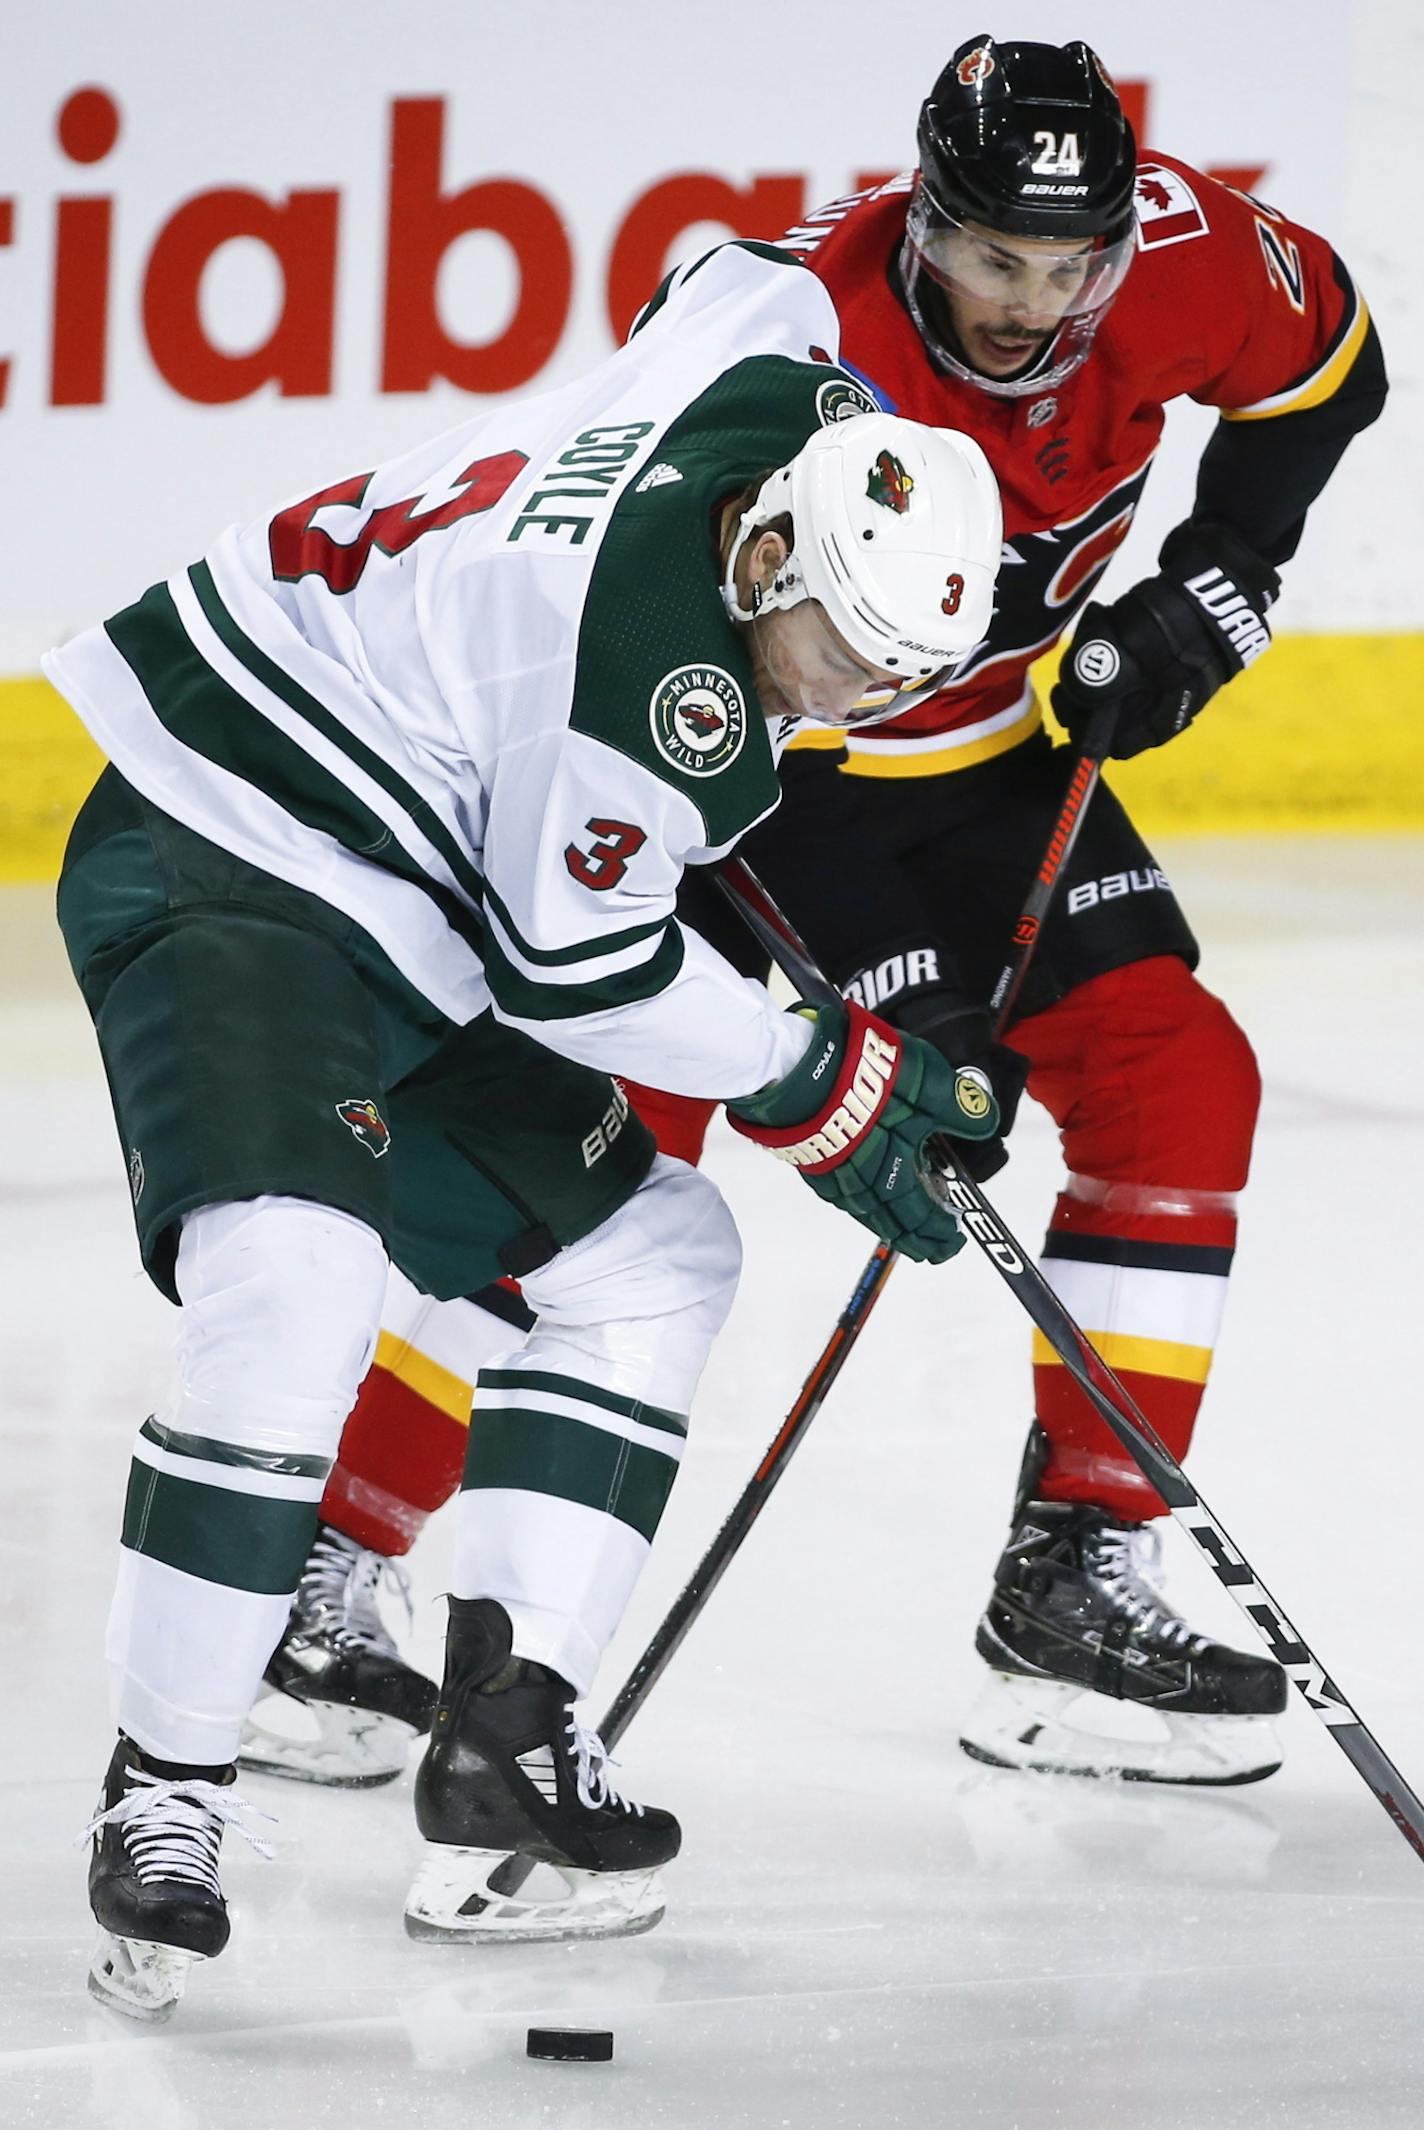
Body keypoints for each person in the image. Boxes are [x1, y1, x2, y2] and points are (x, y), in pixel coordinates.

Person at [275, 33, 1386, 1795]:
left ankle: (1074, 1581)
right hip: (750, 758)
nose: (1033, 307)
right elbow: (663, 639)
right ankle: (320, 1565)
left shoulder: (1183, 254)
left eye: (1070, 265)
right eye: (990, 261)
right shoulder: (783, 330)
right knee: (603, 1148)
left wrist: (1223, 581)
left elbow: (1331, 366)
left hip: (987, 751)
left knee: (1180, 1070)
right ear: (920, 218)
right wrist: (881, 988)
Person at [50, 239, 1009, 2018]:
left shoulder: (774, 372)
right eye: (843, 659)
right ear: (777, 552)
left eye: (891, 683)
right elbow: (581, 973)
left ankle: (510, 1736)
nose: (849, 703)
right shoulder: (664, 692)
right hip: (229, 844)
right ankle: (164, 1795)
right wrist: (828, 1072)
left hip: (406, 896)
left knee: (655, 1252)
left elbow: (727, 265)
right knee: (298, 1287)